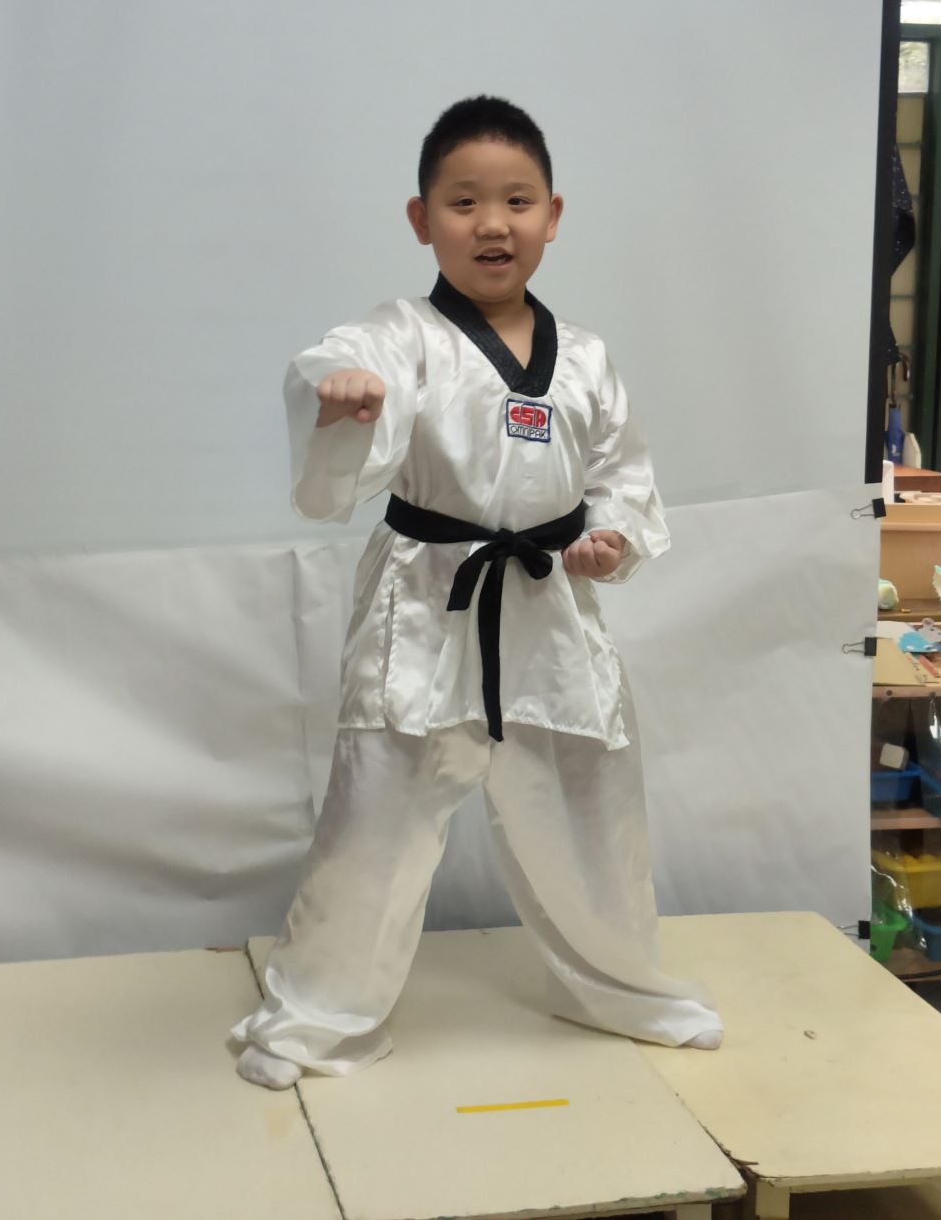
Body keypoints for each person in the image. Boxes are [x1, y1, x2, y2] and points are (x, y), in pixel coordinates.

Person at [231, 96, 723, 1090]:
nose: (491, 223)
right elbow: (338, 363)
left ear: (553, 215)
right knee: (377, 813)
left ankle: (622, 985)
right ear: (422, 219)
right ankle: (319, 1013)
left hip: (547, 603)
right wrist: (343, 396)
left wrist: (609, 538)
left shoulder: (584, 357)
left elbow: (622, 476)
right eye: (463, 202)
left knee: (590, 800)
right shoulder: (403, 333)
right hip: (426, 602)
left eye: (516, 201)